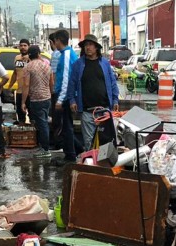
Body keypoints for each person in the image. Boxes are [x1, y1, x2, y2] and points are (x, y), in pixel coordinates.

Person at [67, 34, 120, 150]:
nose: (87, 47)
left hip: (104, 110)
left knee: (106, 141)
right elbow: (72, 84)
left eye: (90, 45)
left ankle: (104, 166)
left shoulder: (105, 63)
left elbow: (112, 83)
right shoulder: (78, 64)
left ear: (96, 47)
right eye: (86, 45)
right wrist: (72, 100)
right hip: (87, 111)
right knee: (89, 143)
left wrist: (115, 99)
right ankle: (91, 166)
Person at [51, 29, 79, 163]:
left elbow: (66, 79)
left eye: (54, 40)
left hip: (66, 97)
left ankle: (70, 156)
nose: (54, 43)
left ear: (58, 40)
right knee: (66, 126)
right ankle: (73, 152)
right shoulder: (64, 54)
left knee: (66, 127)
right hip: (65, 95)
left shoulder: (67, 55)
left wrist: (61, 99)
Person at [22, 45, 54, 158]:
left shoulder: (28, 67)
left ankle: (45, 149)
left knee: (42, 123)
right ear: (39, 54)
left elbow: (26, 85)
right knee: (44, 122)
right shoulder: (47, 66)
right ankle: (44, 147)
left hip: (36, 99)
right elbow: (52, 83)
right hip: (47, 98)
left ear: (29, 55)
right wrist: (50, 94)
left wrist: (23, 102)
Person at [9, 38, 31, 124]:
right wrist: (10, 86)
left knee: (33, 116)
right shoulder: (17, 58)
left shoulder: (32, 58)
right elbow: (15, 73)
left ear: (28, 47)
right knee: (20, 116)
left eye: (25, 45)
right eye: (21, 45)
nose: (23, 47)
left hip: (31, 92)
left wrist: (29, 58)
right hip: (19, 91)